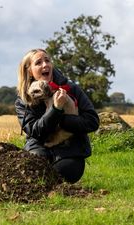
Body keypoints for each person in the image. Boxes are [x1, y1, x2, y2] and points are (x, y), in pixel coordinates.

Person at [15, 48, 99, 183]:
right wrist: (55, 109)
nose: (45, 65)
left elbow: (92, 121)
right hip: (39, 148)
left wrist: (63, 119)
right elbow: (36, 131)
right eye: (38, 63)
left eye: (47, 60)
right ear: (29, 70)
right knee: (34, 169)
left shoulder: (71, 89)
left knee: (63, 173)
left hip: (70, 150)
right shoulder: (23, 100)